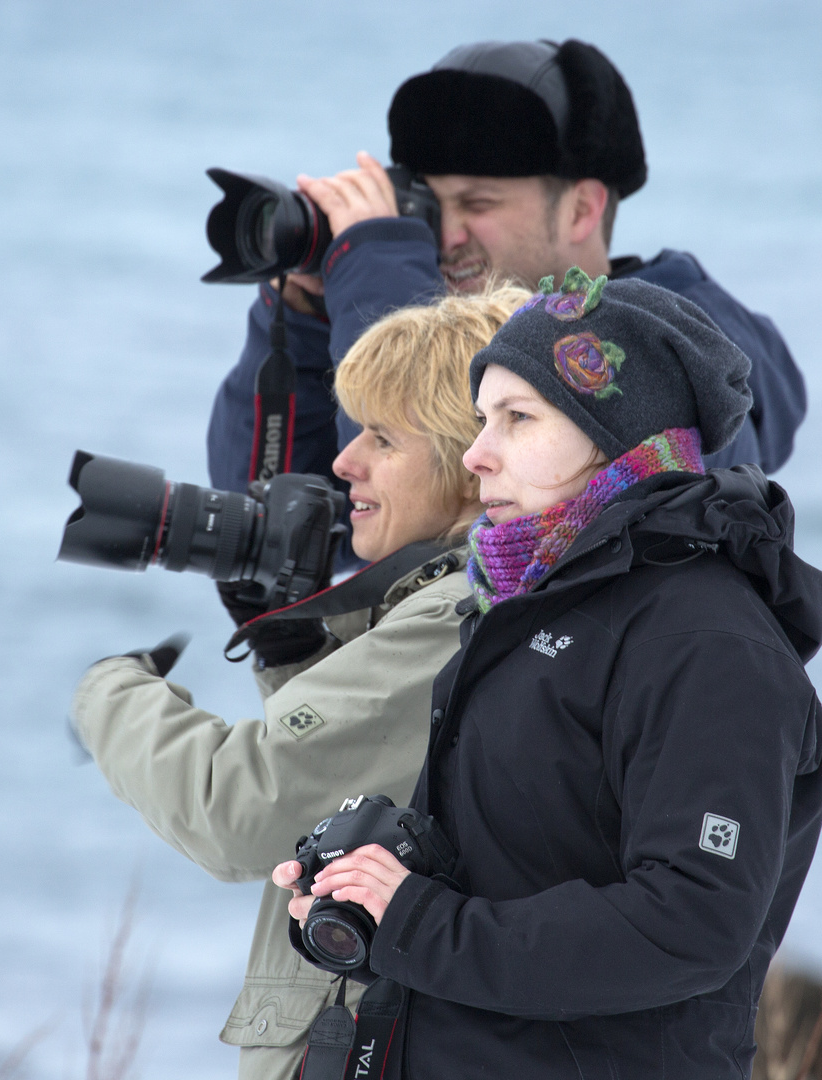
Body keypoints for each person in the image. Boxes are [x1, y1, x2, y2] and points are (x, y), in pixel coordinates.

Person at [277, 271, 822, 1077]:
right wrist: (372, 896)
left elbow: (692, 921)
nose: (477, 455)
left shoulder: (708, 643)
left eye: (518, 419)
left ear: (616, 438)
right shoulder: (526, 608)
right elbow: (521, 869)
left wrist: (421, 925)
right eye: (480, 420)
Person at [70, 287, 531, 1080]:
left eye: (381, 439)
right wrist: (296, 641)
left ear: (470, 464)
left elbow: (237, 806)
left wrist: (107, 693)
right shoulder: (479, 598)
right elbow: (366, 780)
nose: (344, 462)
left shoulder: (460, 608)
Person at [207, 39, 806, 511]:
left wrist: (375, 271)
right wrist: (307, 315)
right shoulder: (463, 336)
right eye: (432, 209)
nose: (445, 237)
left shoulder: (677, 351)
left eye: (479, 204)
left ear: (582, 209)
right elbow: (274, 521)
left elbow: (450, 500)